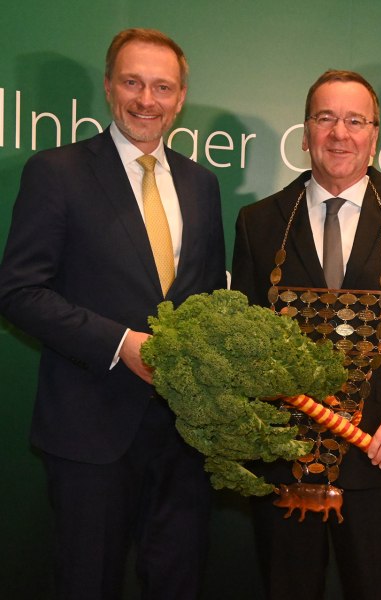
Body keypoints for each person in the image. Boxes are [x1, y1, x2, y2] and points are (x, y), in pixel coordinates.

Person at [0, 28, 226, 599]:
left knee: (179, 583)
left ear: (180, 98)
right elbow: (19, 291)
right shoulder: (56, 172)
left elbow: (208, 303)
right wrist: (121, 343)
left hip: (185, 435)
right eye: (132, 82)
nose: (146, 99)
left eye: (161, 86)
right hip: (89, 432)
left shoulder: (203, 184)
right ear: (108, 86)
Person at [231, 69, 381, 600]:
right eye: (326, 118)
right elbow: (243, 337)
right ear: (306, 130)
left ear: (376, 134)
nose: (340, 133)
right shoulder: (258, 222)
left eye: (355, 120)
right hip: (282, 456)